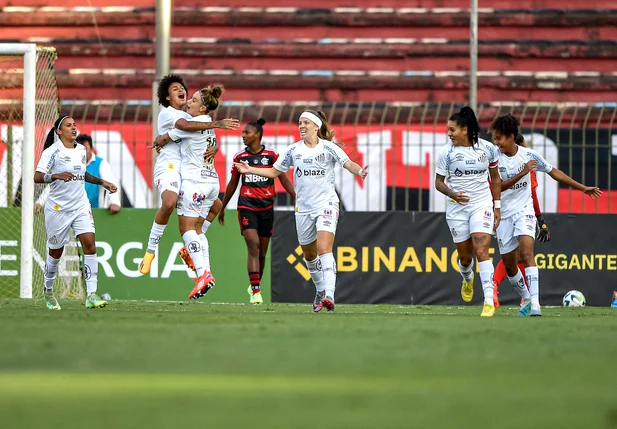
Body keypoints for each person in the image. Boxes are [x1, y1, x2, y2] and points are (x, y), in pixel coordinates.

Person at [234, 110, 368, 312]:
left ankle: (330, 295)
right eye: (299, 123)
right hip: (303, 208)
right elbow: (274, 172)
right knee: (309, 254)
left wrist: (360, 171)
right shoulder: (292, 150)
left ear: (316, 126)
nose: (302, 126)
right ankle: (320, 290)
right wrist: (250, 169)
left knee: (324, 248)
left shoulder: (329, 148)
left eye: (306, 122)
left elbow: (347, 163)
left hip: (326, 204)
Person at [491, 114, 601, 316]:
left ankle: (535, 304)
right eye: (495, 138)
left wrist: (582, 188)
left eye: (499, 138)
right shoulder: (495, 160)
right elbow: (496, 188)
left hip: (524, 211)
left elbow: (554, 172)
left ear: (511, 137)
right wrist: (522, 173)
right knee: (509, 265)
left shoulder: (529, 155)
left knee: (526, 253)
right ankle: (525, 296)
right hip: (504, 215)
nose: (496, 142)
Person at [139, 74, 239, 275]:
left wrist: (216, 146)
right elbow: (184, 127)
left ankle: (193, 245)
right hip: (169, 166)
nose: (180, 90)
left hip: (187, 171)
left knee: (217, 206)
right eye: (174, 89)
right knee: (168, 203)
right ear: (167, 97)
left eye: (181, 87)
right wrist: (217, 124)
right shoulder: (167, 113)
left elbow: (200, 132)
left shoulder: (193, 117)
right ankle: (150, 252)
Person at [33, 115, 118, 310]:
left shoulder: (80, 150)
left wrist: (103, 183)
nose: (73, 128)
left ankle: (91, 295)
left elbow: (83, 174)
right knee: (56, 252)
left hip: (80, 205)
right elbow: (37, 177)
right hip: (58, 208)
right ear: (59, 131)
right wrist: (55, 175)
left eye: (75, 125)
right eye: (68, 125)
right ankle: (48, 290)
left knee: (90, 245)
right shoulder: (51, 152)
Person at [152, 85, 227, 299]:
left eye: (193, 101)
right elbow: (208, 137)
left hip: (195, 182)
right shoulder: (206, 125)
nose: (188, 103)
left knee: (186, 230)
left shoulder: (190, 125)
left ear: (203, 107)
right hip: (212, 182)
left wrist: (159, 140)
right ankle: (206, 273)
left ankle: (202, 273)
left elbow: (166, 136)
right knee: (197, 230)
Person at [218, 118, 296, 305]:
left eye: (247, 133)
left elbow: (282, 177)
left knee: (262, 252)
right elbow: (233, 183)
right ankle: (256, 291)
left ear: (257, 135)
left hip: (267, 207)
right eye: (243, 133)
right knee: (252, 245)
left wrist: (296, 196)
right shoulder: (240, 157)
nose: (243, 135)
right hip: (247, 206)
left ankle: (255, 284)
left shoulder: (271, 156)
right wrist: (222, 206)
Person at [434, 106, 501, 317]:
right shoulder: (447, 152)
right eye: (448, 129)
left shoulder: (488, 149)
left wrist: (496, 207)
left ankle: (489, 301)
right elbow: (438, 183)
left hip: (481, 204)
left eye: (452, 129)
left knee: (482, 251)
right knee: (465, 258)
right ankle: (467, 277)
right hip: (457, 209)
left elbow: (496, 179)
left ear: (465, 129)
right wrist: (453, 194)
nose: (449, 133)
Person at [493, 134, 551, 308]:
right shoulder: (505, 162)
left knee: (524, 255)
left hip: (520, 213)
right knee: (513, 260)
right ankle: (521, 295)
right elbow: (532, 194)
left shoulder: (526, 158)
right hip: (503, 214)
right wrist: (541, 220)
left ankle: (531, 301)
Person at [35, 133, 121, 214]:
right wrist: (40, 202)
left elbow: (109, 182)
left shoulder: (101, 164)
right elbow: (55, 184)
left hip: (95, 212)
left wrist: (114, 202)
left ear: (92, 150)